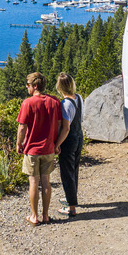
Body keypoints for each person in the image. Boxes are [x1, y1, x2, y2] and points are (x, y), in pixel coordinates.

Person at [16, 72, 63, 226]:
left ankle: (34, 216)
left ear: (35, 86)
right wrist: (56, 144)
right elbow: (59, 125)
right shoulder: (54, 101)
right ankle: (46, 215)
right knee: (46, 182)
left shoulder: (28, 103)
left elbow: (22, 127)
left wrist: (19, 144)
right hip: (49, 149)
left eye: (28, 85)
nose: (26, 87)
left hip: (32, 150)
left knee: (33, 182)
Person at [55, 72, 83, 217]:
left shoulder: (64, 104)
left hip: (69, 140)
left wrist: (57, 144)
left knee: (67, 173)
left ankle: (71, 207)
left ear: (59, 87)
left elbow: (65, 128)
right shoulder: (78, 97)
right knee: (74, 170)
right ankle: (71, 197)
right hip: (79, 137)